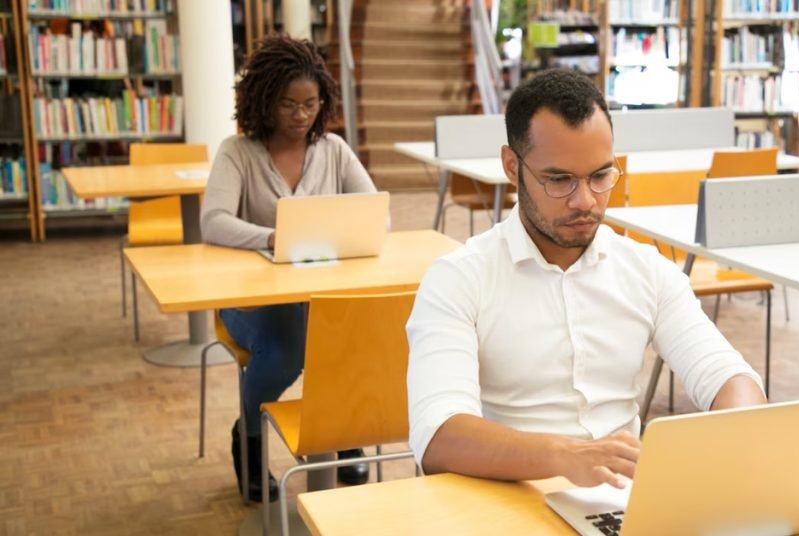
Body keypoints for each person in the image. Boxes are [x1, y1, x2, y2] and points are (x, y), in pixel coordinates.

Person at [406, 69, 767, 488]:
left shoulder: (645, 270)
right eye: (559, 180)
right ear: (511, 166)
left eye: (600, 176)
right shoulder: (459, 279)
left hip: (622, 503)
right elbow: (438, 438)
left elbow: (729, 377)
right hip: (507, 497)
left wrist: (738, 429)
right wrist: (566, 457)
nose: (585, 201)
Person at [201, 34, 373, 502]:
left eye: (310, 104)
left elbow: (373, 209)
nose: (301, 116)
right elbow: (213, 222)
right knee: (288, 342)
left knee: (353, 328)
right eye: (288, 105)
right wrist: (274, 238)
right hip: (251, 297)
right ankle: (250, 438)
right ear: (263, 101)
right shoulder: (237, 152)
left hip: (320, 290)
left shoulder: (333, 149)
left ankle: (341, 434)